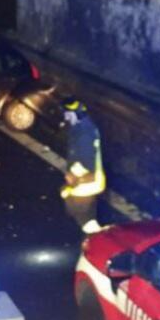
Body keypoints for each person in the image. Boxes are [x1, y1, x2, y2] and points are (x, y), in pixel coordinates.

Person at [59, 97, 105, 234]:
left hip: (85, 185)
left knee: (85, 220)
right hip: (81, 183)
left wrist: (74, 179)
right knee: (82, 216)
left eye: (67, 115)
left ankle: (97, 243)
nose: (66, 118)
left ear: (75, 114)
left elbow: (87, 163)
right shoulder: (81, 128)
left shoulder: (85, 134)